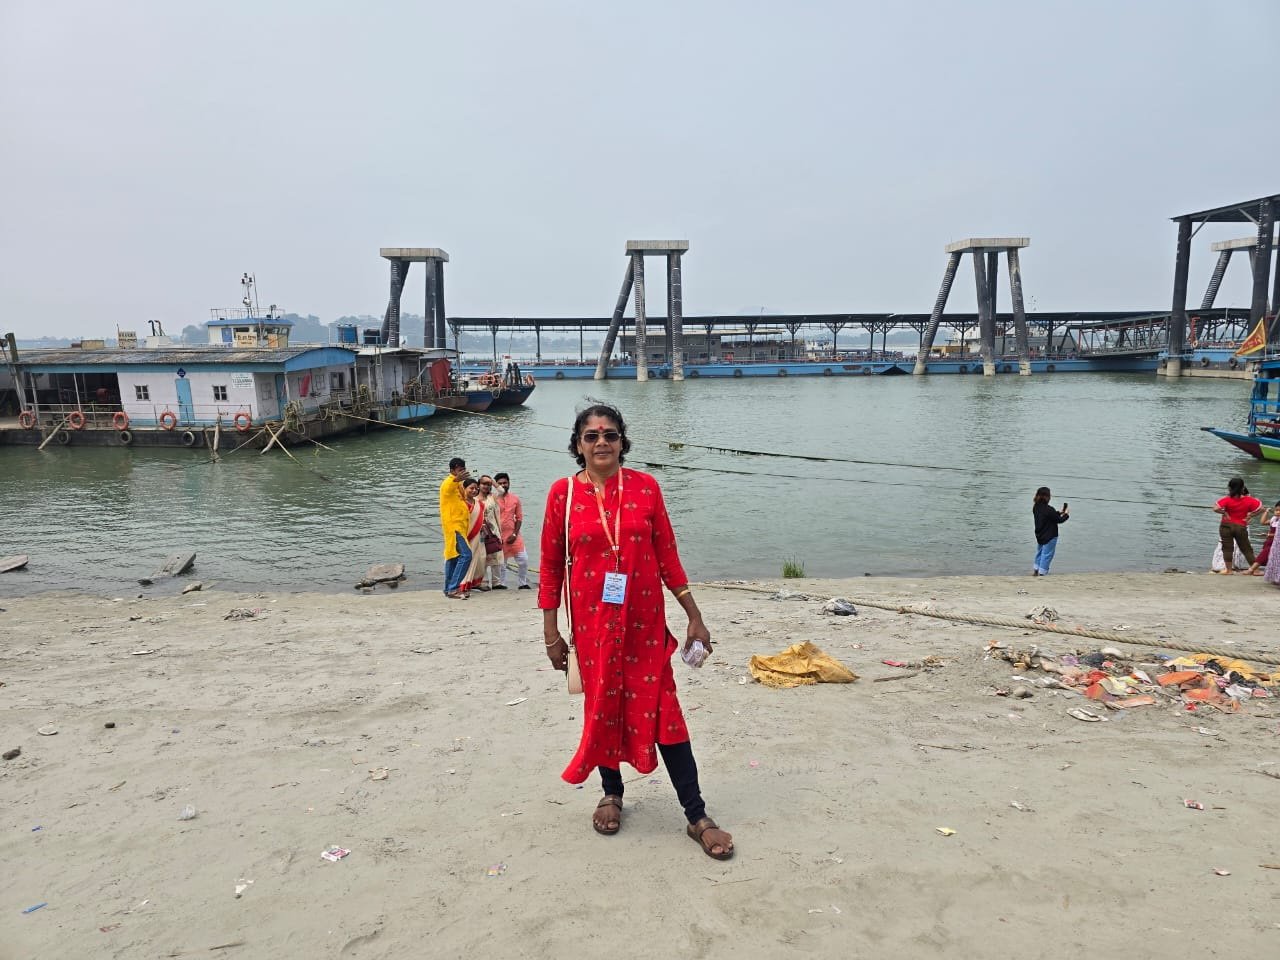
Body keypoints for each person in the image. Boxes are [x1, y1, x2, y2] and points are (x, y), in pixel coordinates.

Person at [539, 403, 733, 860]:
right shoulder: (563, 495)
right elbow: (549, 568)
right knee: (604, 705)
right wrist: (552, 633)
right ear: (578, 445)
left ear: (622, 441)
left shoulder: (646, 488)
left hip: (645, 626)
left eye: (610, 434)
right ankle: (612, 792)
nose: (601, 441)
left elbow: (667, 555)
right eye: (591, 435)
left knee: (666, 714)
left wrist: (694, 615)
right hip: (591, 629)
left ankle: (696, 815)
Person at [1213, 477, 1262, 575]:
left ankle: (1229, 570)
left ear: (1229, 488)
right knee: (1246, 548)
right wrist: (1250, 515)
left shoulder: (1226, 499)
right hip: (1240, 526)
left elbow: (1215, 508)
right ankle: (1255, 570)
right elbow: (1261, 508)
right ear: (1243, 488)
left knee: (1227, 548)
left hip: (1226, 526)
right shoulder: (1249, 500)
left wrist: (1224, 513)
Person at [439, 457, 472, 599]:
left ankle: (448, 589)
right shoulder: (448, 482)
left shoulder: (459, 485)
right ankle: (454, 588)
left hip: (460, 527)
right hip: (454, 528)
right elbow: (448, 487)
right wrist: (456, 479)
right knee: (466, 555)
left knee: (453, 557)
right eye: (459, 470)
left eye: (463, 470)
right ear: (452, 470)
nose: (462, 473)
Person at [494, 471, 530, 590]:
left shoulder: (515, 499)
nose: (503, 485)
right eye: (500, 483)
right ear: (496, 485)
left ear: (509, 483)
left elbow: (519, 518)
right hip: (498, 537)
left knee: (523, 559)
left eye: (505, 483)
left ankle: (522, 583)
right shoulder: (492, 499)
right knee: (501, 564)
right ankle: (502, 584)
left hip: (514, 535)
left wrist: (514, 534)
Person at [458, 478, 488, 595]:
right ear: (464, 489)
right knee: (466, 560)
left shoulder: (479, 503)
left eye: (476, 488)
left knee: (480, 559)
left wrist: (483, 526)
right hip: (466, 536)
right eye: (471, 488)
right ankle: (462, 585)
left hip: (478, 536)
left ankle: (474, 583)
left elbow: (481, 518)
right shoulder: (461, 504)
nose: (474, 490)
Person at [1031, 486, 1069, 576]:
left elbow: (1048, 516)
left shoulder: (1036, 507)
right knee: (1047, 555)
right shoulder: (1049, 509)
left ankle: (1036, 570)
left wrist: (1059, 513)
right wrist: (1066, 514)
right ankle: (1042, 573)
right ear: (1047, 497)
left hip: (1040, 535)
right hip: (1050, 536)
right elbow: (1059, 520)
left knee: (1039, 553)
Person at [478, 476, 505, 589]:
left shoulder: (492, 497)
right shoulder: (474, 498)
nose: (486, 486)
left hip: (493, 530)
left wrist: (493, 482)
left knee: (496, 555)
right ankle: (483, 582)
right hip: (479, 533)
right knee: (482, 556)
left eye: (488, 484)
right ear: (479, 484)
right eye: (484, 483)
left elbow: (502, 491)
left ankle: (496, 583)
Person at [1248, 499, 1279, 575]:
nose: (1278, 512)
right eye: (1276, 510)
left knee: (1263, 555)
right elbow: (1263, 522)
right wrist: (1266, 512)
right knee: (1269, 557)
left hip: (1276, 543)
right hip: (1269, 541)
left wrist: (1267, 535)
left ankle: (1251, 570)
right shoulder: (1274, 519)